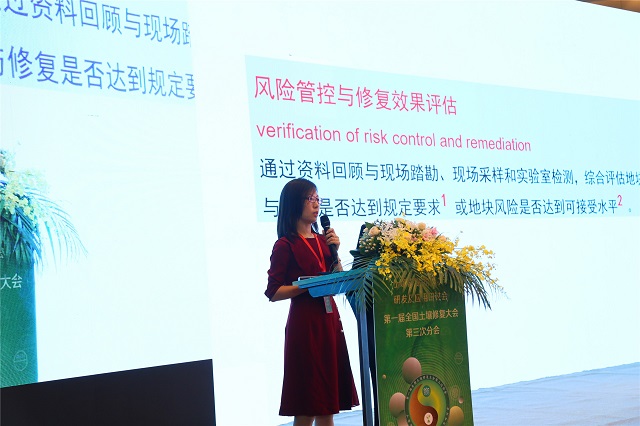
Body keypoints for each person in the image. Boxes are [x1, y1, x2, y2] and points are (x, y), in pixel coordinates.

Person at [265, 178, 359, 426]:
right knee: (307, 405)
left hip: (329, 322)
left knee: (327, 405)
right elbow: (273, 291)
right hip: (305, 326)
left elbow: (337, 277)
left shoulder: (323, 240)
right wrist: (306, 286)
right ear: (295, 203)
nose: (317, 204)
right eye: (310, 199)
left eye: (318, 199)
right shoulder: (285, 244)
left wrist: (336, 251)